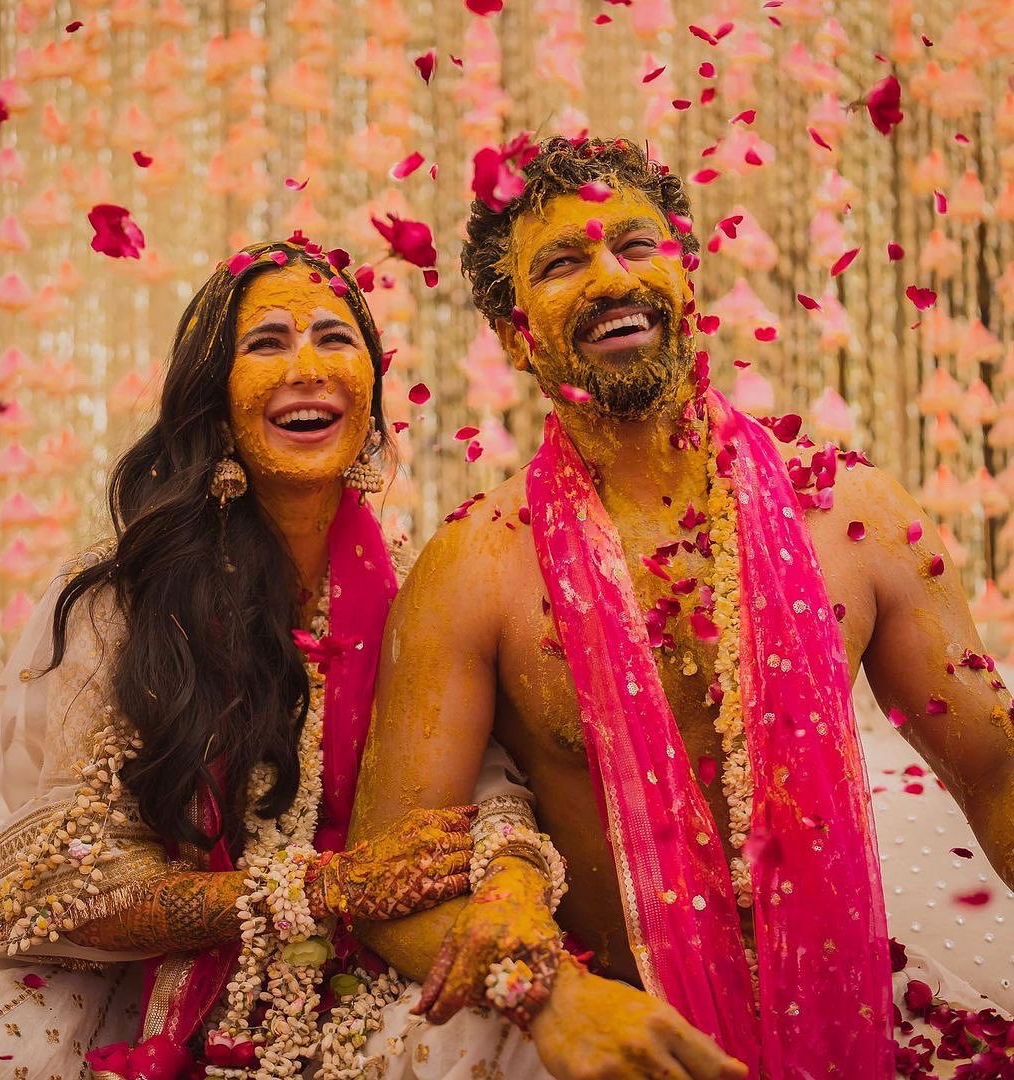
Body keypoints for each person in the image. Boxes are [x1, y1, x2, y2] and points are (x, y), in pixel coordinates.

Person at [350, 137, 1014, 1079]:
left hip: (847, 1018)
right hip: (613, 1040)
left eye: (636, 245)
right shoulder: (474, 569)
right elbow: (387, 881)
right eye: (562, 262)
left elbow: (994, 770)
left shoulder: (855, 517)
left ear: (687, 276)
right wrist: (553, 1000)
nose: (611, 278)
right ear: (513, 332)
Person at [0, 239, 527, 1079]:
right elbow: (73, 883)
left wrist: (513, 883)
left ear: (369, 393)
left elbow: (485, 792)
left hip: (369, 977)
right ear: (214, 403)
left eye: (334, 337)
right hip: (150, 981)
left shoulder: (418, 598)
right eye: (266, 343)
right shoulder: (123, 601)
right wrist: (321, 889)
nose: (307, 366)